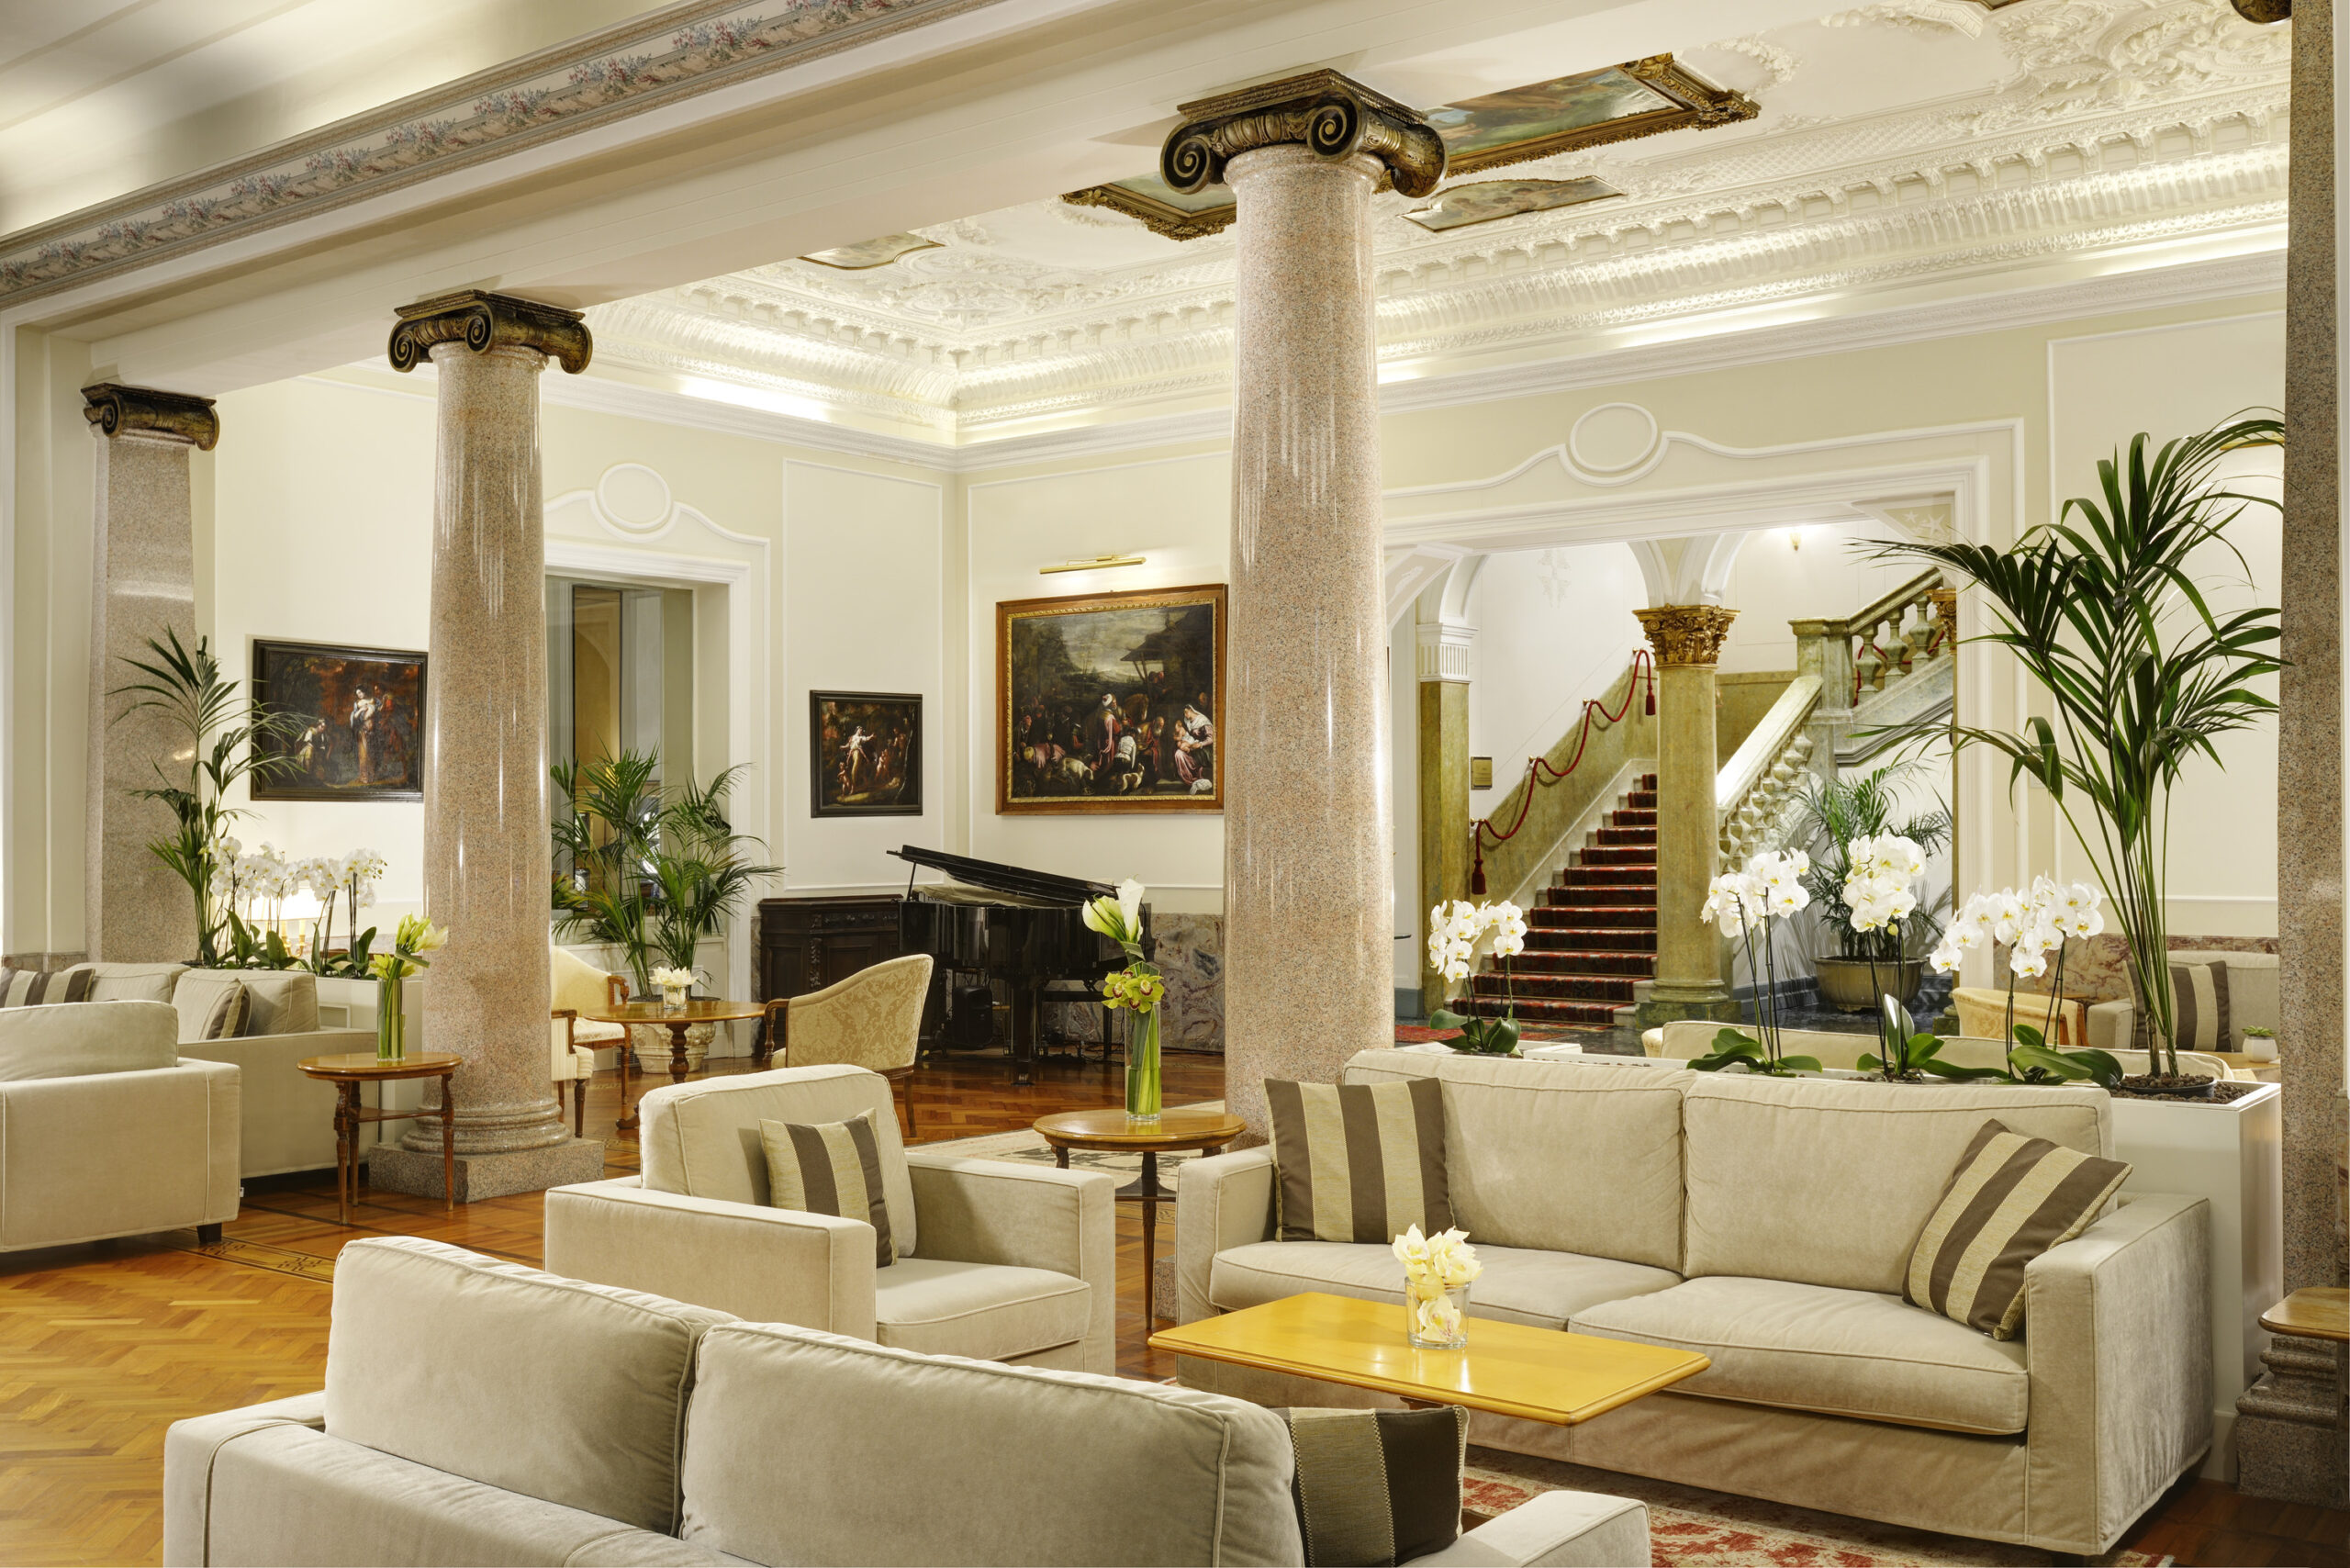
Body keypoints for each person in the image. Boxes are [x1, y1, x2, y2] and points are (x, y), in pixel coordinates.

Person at [1174, 702, 1214, 788]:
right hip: (1191, 746)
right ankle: (1188, 779)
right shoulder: (1187, 721)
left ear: (1191, 710)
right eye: (1183, 713)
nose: (1185, 715)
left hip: (1203, 749)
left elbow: (1211, 738)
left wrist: (1200, 744)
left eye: (1186, 712)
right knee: (1178, 753)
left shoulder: (1203, 721)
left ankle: (1198, 775)